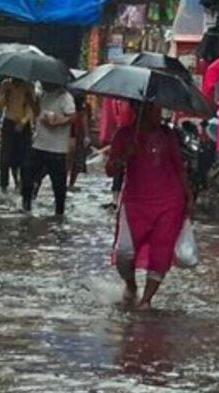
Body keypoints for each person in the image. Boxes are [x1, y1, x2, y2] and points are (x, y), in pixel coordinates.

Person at [107, 103, 192, 311]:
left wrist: (188, 196)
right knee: (124, 251)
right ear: (142, 110)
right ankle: (131, 285)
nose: (159, 114)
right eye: (154, 110)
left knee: (161, 250)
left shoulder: (168, 135)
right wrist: (125, 155)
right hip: (135, 200)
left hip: (169, 201)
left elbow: (178, 167)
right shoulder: (124, 135)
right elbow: (110, 170)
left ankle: (146, 300)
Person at [21, 82, 75, 215]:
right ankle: (26, 206)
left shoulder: (65, 97)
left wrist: (57, 122)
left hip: (57, 149)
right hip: (39, 145)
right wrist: (30, 101)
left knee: (58, 185)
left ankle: (59, 212)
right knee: (27, 176)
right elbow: (38, 113)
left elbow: (73, 117)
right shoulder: (43, 95)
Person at [0, 77, 38, 194]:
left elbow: (31, 108)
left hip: (24, 124)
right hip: (9, 122)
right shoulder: (5, 84)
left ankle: (20, 183)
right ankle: (3, 186)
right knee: (5, 157)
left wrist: (23, 121)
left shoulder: (29, 86)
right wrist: (5, 95)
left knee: (23, 156)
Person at [98, 97, 135, 210]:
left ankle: (119, 199)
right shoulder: (117, 101)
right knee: (119, 170)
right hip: (123, 137)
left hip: (132, 136)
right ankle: (116, 199)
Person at [67, 95, 91, 190]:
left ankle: (70, 183)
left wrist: (86, 135)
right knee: (70, 159)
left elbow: (83, 116)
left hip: (76, 133)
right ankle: (68, 182)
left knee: (76, 160)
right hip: (70, 132)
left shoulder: (81, 110)